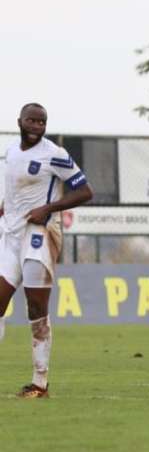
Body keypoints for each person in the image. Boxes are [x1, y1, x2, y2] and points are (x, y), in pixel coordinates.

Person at [0, 103, 93, 398]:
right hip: (11, 235)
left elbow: (85, 191)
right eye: (31, 120)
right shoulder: (11, 152)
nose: (37, 126)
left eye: (42, 122)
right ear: (20, 122)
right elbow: (10, 196)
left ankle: (40, 382)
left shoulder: (55, 154)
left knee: (36, 308)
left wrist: (49, 208)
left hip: (39, 235)